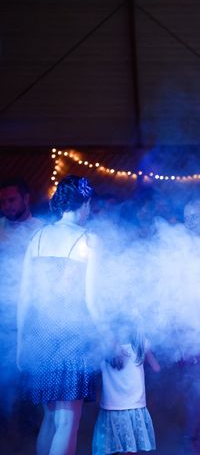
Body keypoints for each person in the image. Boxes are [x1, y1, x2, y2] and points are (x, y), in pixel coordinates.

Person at [17, 175, 103, 455]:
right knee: (68, 421)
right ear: (85, 203)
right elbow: (92, 302)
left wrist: (20, 343)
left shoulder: (38, 236)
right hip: (72, 334)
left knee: (51, 418)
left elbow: (25, 296)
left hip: (39, 333)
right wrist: (108, 337)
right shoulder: (89, 239)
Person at [92, 318, 160, 455]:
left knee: (110, 449)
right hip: (134, 406)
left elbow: (93, 372)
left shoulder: (103, 348)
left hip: (111, 407)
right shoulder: (141, 344)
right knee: (130, 449)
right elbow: (156, 368)